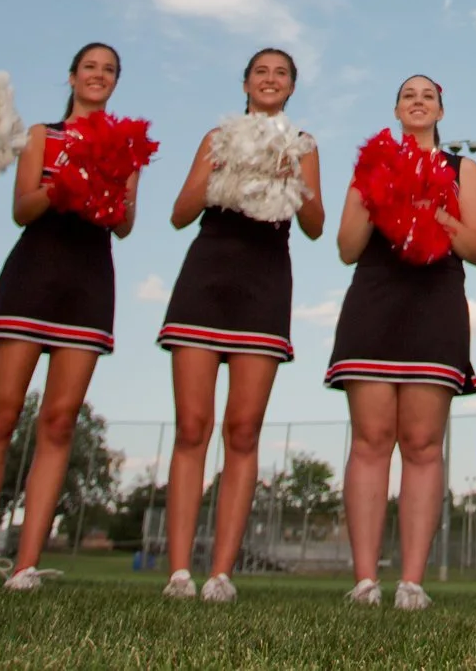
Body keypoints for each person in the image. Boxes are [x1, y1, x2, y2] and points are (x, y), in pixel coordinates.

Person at [0, 43, 135, 591]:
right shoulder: (43, 134)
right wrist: (68, 180)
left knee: (59, 422)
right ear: (73, 76)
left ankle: (27, 563)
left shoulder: (126, 143)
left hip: (88, 283)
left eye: (108, 70)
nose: (98, 76)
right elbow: (22, 208)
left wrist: (107, 186)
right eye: (90, 67)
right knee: (2, 413)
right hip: (33, 277)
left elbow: (125, 223)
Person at [153, 47, 323, 602]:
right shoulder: (215, 136)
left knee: (243, 430)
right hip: (206, 279)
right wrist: (217, 175)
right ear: (246, 83)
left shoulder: (304, 145)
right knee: (191, 427)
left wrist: (293, 180)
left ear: (291, 88)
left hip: (265, 285)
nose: (270, 80)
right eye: (261, 72)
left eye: (281, 73)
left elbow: (317, 227)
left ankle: (221, 572)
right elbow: (179, 214)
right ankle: (180, 571)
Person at [325, 76, 476, 609]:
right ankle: (366, 580)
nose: (418, 102)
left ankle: (413, 581)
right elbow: (347, 248)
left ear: (442, 108)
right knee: (370, 441)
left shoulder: (463, 168)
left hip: (436, 306)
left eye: (428, 96)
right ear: (396, 108)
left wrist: (434, 210)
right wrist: (379, 200)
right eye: (409, 95)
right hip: (374, 303)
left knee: (422, 444)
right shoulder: (370, 164)